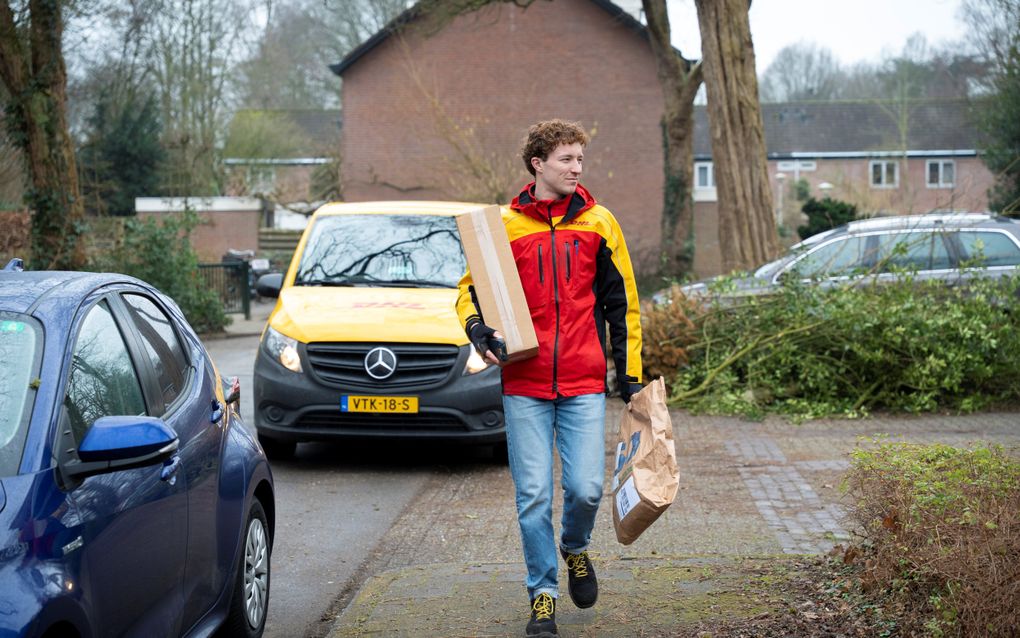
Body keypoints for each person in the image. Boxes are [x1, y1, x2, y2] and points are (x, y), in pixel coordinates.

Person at [456, 119, 643, 638]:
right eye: (566, 159)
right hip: (524, 382)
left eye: (580, 159)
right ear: (537, 164)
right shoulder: (503, 226)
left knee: (585, 490)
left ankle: (575, 547)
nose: (576, 168)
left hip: (583, 380)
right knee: (534, 495)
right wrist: (477, 329)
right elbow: (469, 290)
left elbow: (623, 303)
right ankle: (542, 594)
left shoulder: (600, 222)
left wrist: (629, 375)